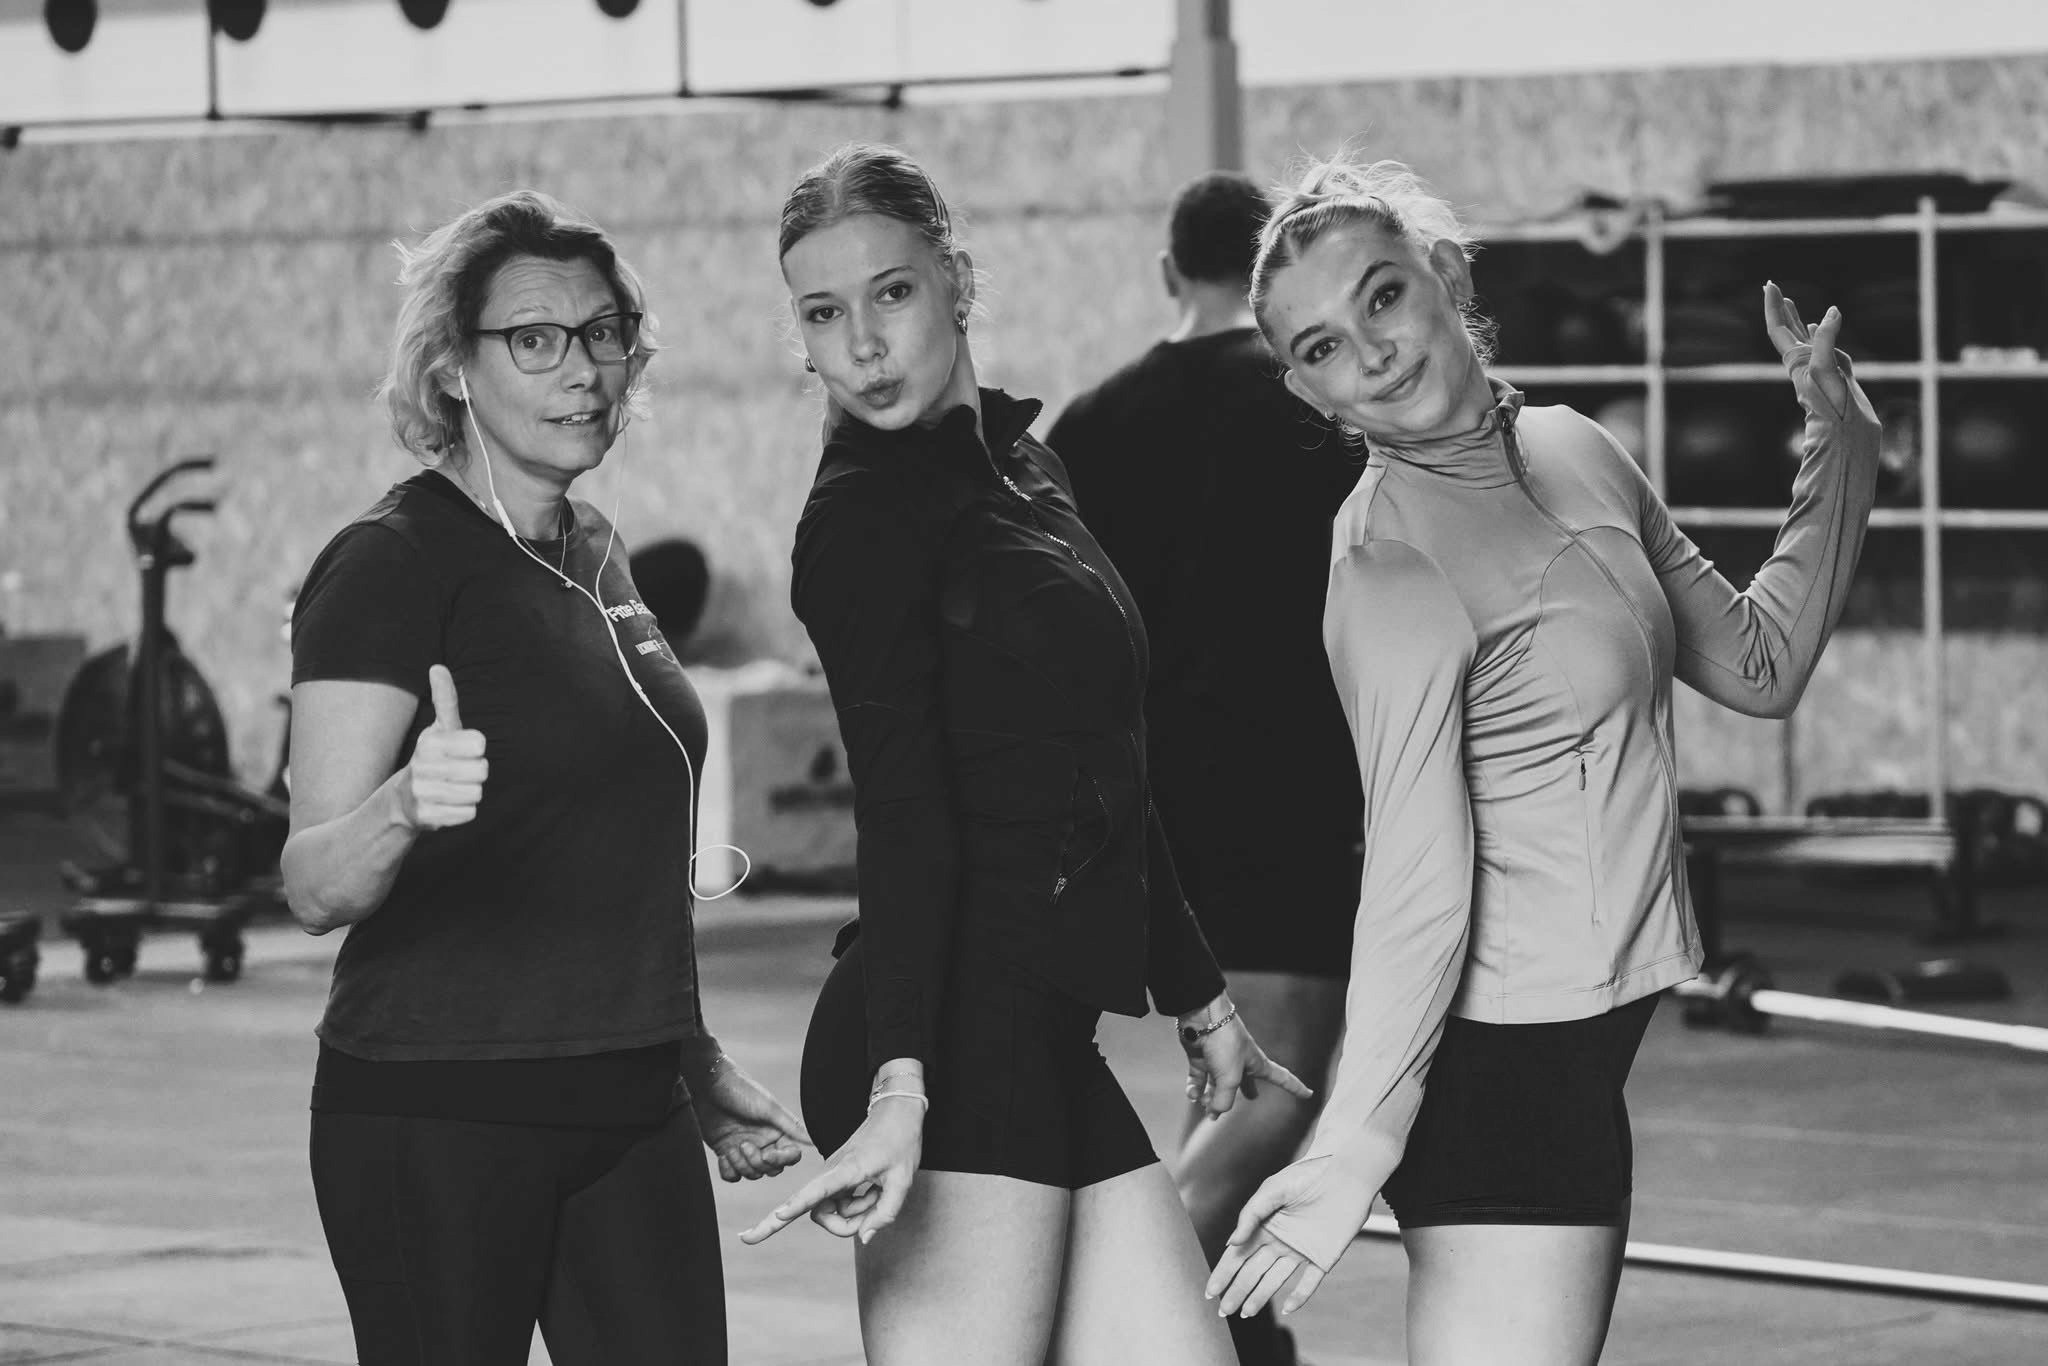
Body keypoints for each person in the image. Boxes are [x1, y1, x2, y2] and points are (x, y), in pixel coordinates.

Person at [1206, 156, 1879, 1364]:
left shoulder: (1575, 449)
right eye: (1314, 349)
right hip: (1490, 1074)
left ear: (1446, 276)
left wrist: (1839, 438)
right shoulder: (1386, 563)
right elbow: (1412, 871)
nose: (1364, 352)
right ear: (1305, 396)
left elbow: (1758, 666)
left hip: (1583, 1049)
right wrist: (1354, 1141)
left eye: (1379, 297)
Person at [737, 143, 1311, 1365]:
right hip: (934, 1036)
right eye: (823, 314)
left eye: (889, 293)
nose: (863, 344)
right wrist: (899, 1083)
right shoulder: (859, 526)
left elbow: (1106, 758)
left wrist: (1197, 989)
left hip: (1040, 1024)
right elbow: (897, 813)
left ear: (953, 280)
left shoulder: (1023, 469)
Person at [282, 189, 808, 1366]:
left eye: (603, 332)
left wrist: (691, 1055)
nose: (582, 370)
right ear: (455, 368)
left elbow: (608, 859)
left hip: (628, 1105)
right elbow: (311, 881)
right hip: (438, 1109)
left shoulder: (594, 548)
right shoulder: (390, 566)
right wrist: (404, 804)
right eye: (534, 339)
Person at [1047, 170, 1365, 1366]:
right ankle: (1136, 1306)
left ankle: (1237, 1336)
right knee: (1283, 1085)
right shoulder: (1308, 408)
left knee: (1232, 1085)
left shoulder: (1088, 421)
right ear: (1269, 273)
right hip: (1285, 788)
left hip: (1144, 810)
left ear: (1166, 274)